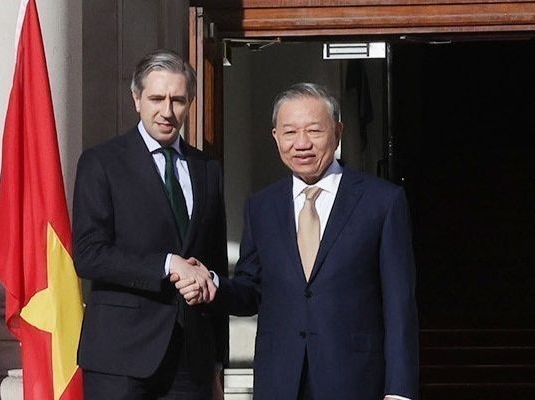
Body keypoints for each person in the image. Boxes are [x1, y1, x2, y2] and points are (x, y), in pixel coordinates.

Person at [180, 82, 419, 399]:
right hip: (281, 380)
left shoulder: (382, 202)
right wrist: (212, 285)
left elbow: (399, 304)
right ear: (276, 137)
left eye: (314, 131)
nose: (301, 144)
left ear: (338, 132)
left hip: (356, 380)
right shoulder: (261, 206)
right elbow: (251, 290)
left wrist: (400, 390)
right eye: (290, 132)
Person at [72, 49, 228, 400]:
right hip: (121, 359)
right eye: (157, 98)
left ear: (190, 103)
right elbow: (89, 255)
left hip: (192, 362)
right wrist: (166, 264)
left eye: (178, 100)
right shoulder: (102, 162)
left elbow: (213, 264)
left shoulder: (208, 169)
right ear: (136, 99)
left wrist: (217, 363)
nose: (167, 111)